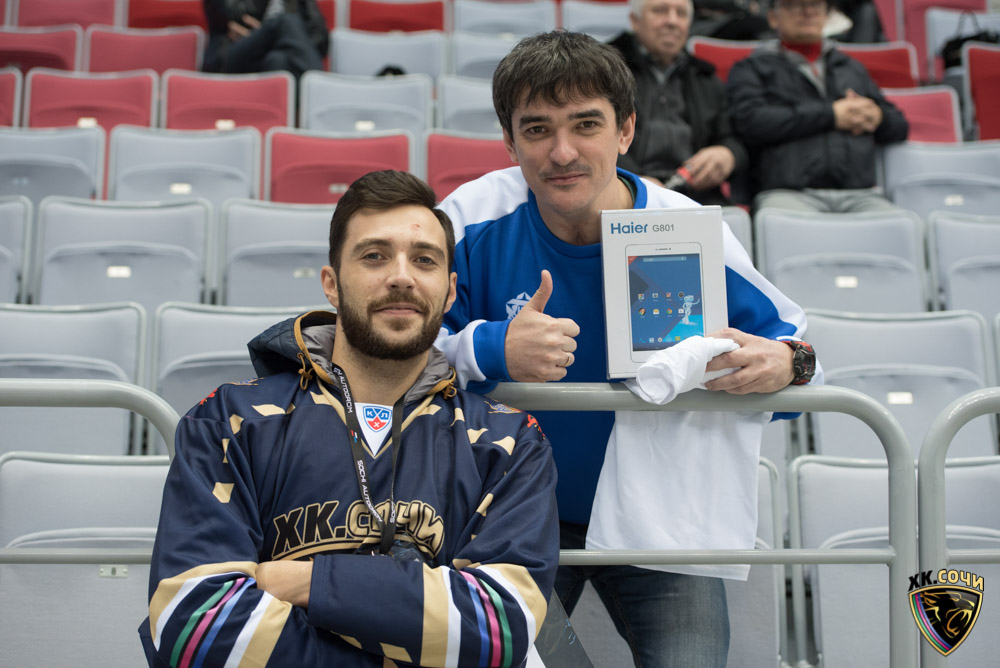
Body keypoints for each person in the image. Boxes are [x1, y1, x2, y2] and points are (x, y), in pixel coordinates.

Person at [435, 31, 819, 668]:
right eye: (537, 129)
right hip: (507, 517)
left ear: (626, 130)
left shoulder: (686, 228)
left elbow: (804, 364)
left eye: (586, 124)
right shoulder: (469, 218)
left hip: (659, 519)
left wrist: (784, 366)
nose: (562, 152)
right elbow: (395, 358)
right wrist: (491, 347)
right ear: (509, 141)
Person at [139, 170, 560, 667]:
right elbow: (195, 629)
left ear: (449, 293)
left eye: (423, 260)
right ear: (332, 285)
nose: (401, 276)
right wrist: (421, 628)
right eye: (374, 256)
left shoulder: (507, 441)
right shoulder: (231, 420)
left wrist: (306, 583)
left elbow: (499, 630)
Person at [726, 0, 909, 213]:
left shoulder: (850, 67)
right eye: (795, 5)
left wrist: (877, 117)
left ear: (826, 16)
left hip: (860, 193)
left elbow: (899, 126)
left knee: (903, 224)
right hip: (786, 193)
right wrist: (831, 115)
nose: (808, 12)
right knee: (780, 221)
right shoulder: (751, 68)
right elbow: (750, 122)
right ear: (773, 17)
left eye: (816, 5)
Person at [609, 0, 749, 207]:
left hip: (697, 196)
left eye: (681, 14)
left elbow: (733, 138)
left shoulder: (706, 77)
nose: (672, 21)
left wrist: (728, 154)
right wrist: (633, 178)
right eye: (660, 11)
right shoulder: (604, 70)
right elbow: (594, 135)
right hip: (624, 190)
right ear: (635, 21)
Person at [203, 0, 328, 77]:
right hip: (231, 54)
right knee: (285, 22)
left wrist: (283, 39)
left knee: (277, 60)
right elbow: (232, 14)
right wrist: (268, 32)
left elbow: (321, 38)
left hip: (277, 55)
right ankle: (318, 93)